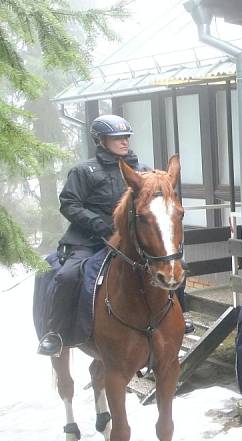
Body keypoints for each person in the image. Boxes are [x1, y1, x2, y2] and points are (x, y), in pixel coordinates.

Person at [36, 114, 193, 356]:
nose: (123, 142)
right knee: (66, 276)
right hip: (89, 239)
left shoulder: (140, 171)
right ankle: (56, 332)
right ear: (101, 140)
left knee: (175, 265)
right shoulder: (83, 170)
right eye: (116, 138)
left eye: (125, 137)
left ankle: (179, 316)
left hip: (127, 239)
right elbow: (69, 203)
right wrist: (98, 224)